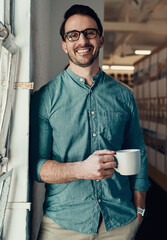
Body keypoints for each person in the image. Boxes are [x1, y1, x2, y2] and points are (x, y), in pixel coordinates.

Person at [30, 4, 150, 240]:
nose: (82, 40)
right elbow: (37, 166)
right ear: (64, 44)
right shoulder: (45, 98)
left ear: (101, 39)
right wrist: (81, 169)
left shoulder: (124, 96)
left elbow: (139, 153)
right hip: (63, 226)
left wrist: (140, 209)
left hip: (120, 222)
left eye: (90, 33)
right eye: (73, 35)